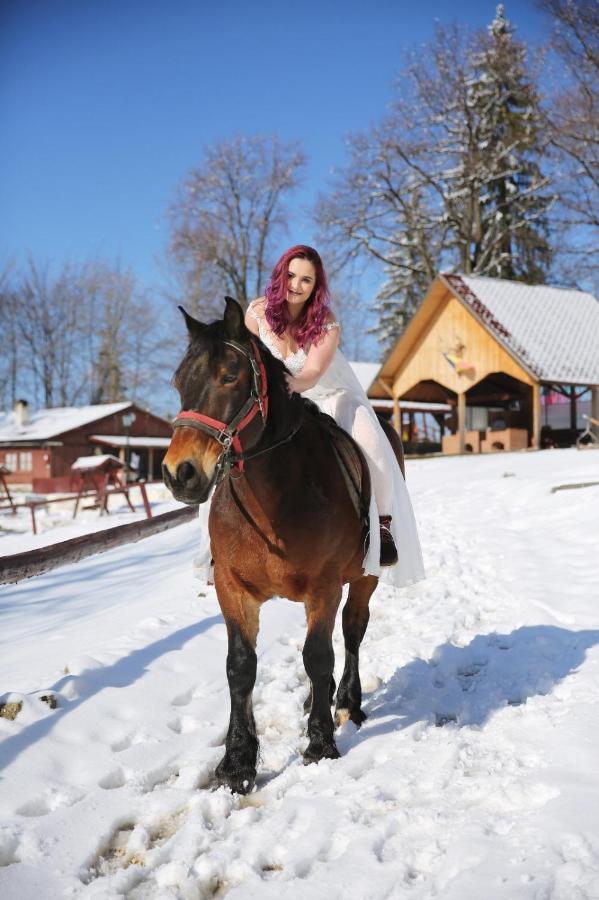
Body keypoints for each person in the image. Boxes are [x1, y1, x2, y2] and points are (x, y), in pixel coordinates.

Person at [241, 244, 424, 588]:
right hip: (282, 401)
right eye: (291, 275)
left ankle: (382, 527)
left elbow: (311, 373)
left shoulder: (326, 324)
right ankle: (216, 548)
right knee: (231, 446)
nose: (296, 285)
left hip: (333, 396)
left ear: (315, 286)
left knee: (376, 448)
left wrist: (283, 387)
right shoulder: (256, 314)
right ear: (280, 274)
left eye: (306, 280)